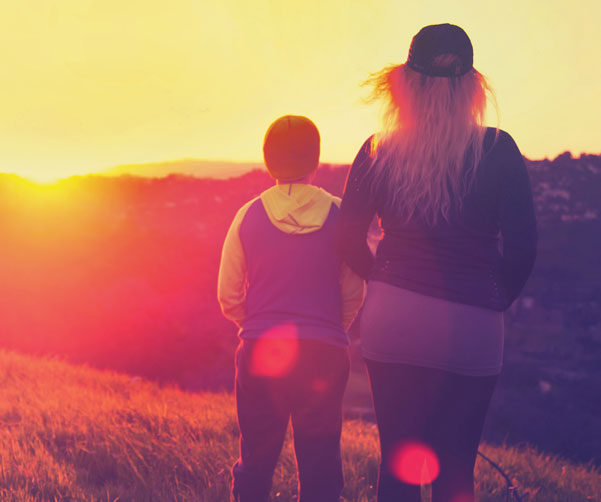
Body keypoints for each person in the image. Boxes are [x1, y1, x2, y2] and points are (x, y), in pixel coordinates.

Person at [336, 24, 537, 502]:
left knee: (399, 466)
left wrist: (382, 281)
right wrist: (493, 298)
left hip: (394, 317)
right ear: (472, 86)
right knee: (455, 473)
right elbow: (524, 247)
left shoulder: (377, 150)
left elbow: (346, 237)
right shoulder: (498, 149)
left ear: (404, 84)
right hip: (473, 323)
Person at [218, 115, 364, 502]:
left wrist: (254, 324)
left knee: (256, 458)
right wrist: (333, 329)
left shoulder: (246, 216)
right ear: (316, 161)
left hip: (261, 349)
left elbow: (227, 293)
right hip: (324, 353)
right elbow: (353, 291)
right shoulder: (340, 214)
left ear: (268, 162)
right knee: (320, 463)